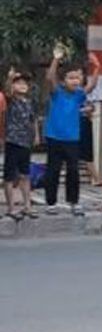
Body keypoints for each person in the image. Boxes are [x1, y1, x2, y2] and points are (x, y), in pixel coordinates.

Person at [44, 48, 99, 215]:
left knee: (73, 171)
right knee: (53, 170)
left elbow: (91, 86)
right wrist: (56, 59)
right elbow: (49, 78)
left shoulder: (79, 95)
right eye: (71, 77)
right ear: (63, 81)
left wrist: (97, 67)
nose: (75, 81)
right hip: (54, 137)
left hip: (72, 139)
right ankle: (51, 202)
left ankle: (73, 202)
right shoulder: (57, 93)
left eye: (78, 77)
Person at [2, 69, 39, 220]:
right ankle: (11, 208)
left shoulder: (29, 102)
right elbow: (7, 90)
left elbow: (33, 120)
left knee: (25, 175)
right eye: (19, 83)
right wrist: (11, 77)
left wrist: (36, 135)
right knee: (10, 176)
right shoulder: (10, 100)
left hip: (25, 142)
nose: (23, 85)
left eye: (25, 83)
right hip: (12, 141)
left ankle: (27, 206)